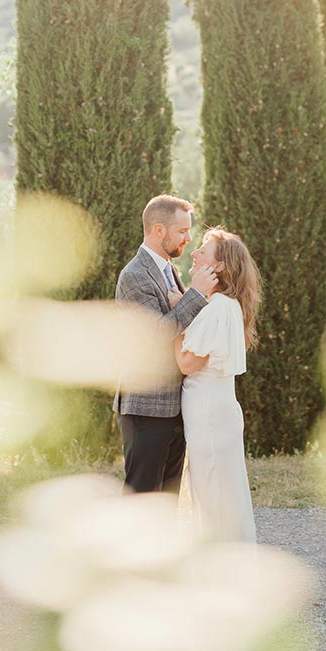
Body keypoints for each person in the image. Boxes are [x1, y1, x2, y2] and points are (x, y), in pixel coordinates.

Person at [114, 195, 218, 494]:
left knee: (166, 500)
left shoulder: (169, 270)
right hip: (146, 407)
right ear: (159, 230)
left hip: (173, 406)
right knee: (142, 497)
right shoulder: (135, 275)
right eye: (183, 231)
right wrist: (196, 295)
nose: (188, 238)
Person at [172, 227, 260, 543]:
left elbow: (186, 362)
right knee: (220, 491)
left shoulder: (218, 307)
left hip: (208, 413)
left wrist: (177, 312)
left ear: (219, 266)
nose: (194, 253)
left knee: (214, 494)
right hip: (215, 409)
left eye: (203, 251)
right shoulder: (223, 305)